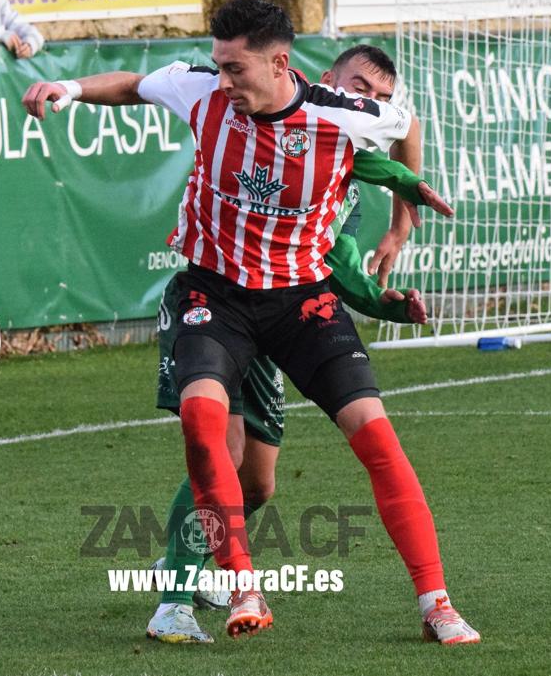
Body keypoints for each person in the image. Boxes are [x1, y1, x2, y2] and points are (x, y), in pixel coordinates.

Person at [22, 0, 479, 646]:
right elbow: (129, 84)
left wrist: (404, 212)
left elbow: (405, 124)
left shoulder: (339, 114)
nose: (224, 80)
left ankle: (436, 602)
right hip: (213, 294)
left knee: (371, 438)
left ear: (280, 63)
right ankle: (233, 586)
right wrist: (66, 88)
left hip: (299, 299)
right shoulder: (202, 92)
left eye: (236, 68)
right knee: (205, 424)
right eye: (219, 65)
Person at [145, 47, 440, 645]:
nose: (372, 104)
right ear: (329, 81)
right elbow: (153, 84)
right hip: (224, 301)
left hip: (289, 313)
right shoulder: (294, 122)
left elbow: (347, 267)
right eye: (362, 89)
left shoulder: (349, 166)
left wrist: (398, 237)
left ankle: (187, 564)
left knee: (259, 484)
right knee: (217, 442)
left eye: (380, 98)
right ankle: (175, 591)